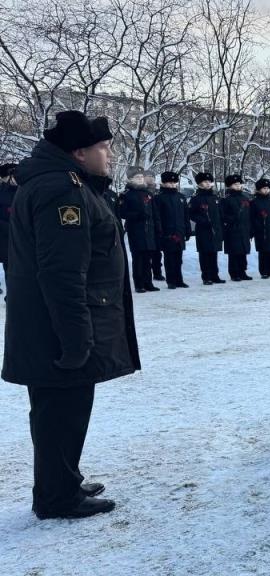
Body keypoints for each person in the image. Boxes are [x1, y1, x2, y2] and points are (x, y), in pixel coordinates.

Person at [3, 111, 140, 519]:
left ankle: (62, 481)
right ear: (79, 153)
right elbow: (62, 273)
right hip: (57, 331)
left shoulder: (66, 184)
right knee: (59, 411)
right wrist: (77, 338)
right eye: (104, 148)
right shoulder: (63, 191)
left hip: (53, 328)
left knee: (63, 410)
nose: (111, 156)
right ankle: (56, 497)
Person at [120, 166, 161, 293]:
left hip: (149, 230)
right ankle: (139, 284)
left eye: (141, 177)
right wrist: (137, 215)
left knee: (148, 258)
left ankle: (148, 282)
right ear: (130, 179)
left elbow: (155, 213)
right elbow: (122, 212)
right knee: (138, 258)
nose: (140, 179)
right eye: (137, 177)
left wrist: (158, 228)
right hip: (136, 230)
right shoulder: (126, 195)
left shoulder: (148, 194)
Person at [153, 171, 191, 289]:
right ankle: (171, 281)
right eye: (170, 182)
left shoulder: (181, 197)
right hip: (167, 232)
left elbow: (186, 215)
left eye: (174, 182)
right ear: (163, 183)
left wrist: (187, 229)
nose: (173, 185)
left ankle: (179, 280)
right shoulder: (159, 198)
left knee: (179, 258)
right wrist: (160, 231)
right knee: (169, 258)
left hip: (179, 231)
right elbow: (157, 216)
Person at [188, 172, 226, 285]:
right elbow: (191, 214)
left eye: (209, 182)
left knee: (214, 253)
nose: (208, 184)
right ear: (199, 184)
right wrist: (202, 220)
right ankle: (206, 276)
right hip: (203, 230)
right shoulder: (196, 199)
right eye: (205, 182)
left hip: (215, 230)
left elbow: (220, 214)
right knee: (205, 254)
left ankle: (215, 275)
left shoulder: (215, 198)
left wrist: (221, 225)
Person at [220, 174, 253, 281]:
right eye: (235, 184)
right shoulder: (227, 200)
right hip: (232, 229)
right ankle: (234, 273)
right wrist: (231, 219)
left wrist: (250, 228)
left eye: (239, 184)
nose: (238, 186)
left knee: (243, 252)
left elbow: (249, 215)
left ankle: (242, 271)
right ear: (230, 186)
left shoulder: (245, 198)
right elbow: (222, 215)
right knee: (234, 252)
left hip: (244, 229)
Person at [251, 178, 270, 279]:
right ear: (259, 189)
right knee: (263, 252)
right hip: (261, 231)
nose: (266, 190)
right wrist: (255, 229)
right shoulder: (254, 202)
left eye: (268, 188)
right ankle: (263, 271)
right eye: (264, 188)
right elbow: (252, 217)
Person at [143, 169, 165, 282]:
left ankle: (157, 272)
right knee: (147, 252)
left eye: (152, 176)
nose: (150, 178)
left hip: (157, 223)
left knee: (157, 252)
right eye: (148, 176)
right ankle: (146, 275)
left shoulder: (158, 192)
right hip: (146, 224)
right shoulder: (142, 190)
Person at [0, 162, 18, 292]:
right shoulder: (3, 190)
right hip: (5, 232)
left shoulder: (22, 190)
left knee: (10, 266)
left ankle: (11, 294)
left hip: (13, 237)